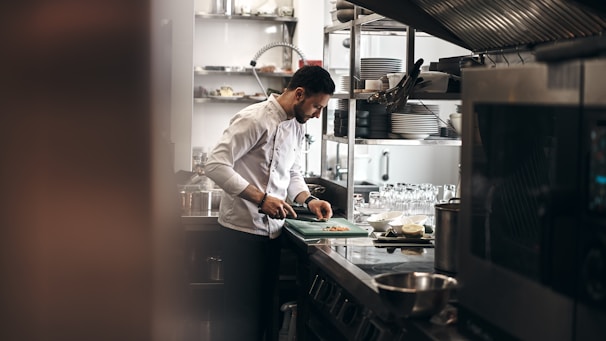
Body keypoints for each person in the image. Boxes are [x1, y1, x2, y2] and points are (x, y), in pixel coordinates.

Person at [204, 65, 336, 341]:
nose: (317, 114)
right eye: (316, 106)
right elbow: (215, 164)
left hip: (273, 234)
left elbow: (292, 173)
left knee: (264, 317)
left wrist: (309, 200)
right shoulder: (254, 119)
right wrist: (260, 199)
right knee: (239, 319)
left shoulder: (297, 126)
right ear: (299, 94)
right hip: (241, 232)